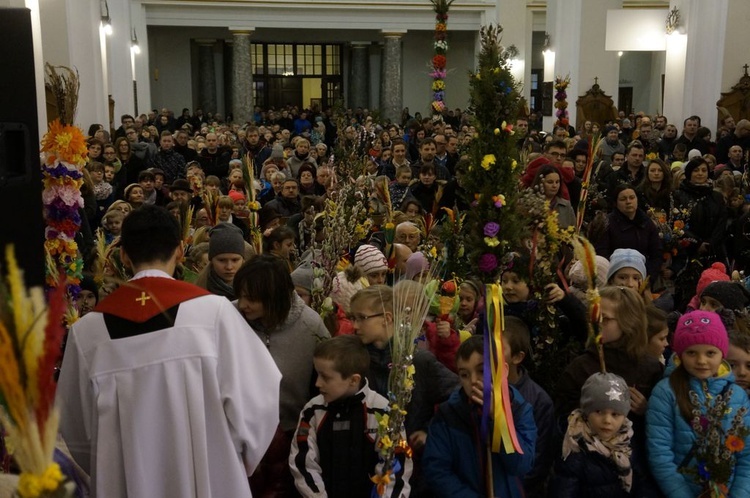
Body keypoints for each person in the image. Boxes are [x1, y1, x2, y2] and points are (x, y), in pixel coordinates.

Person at [56, 205, 281, 498]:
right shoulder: (214, 313)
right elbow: (258, 401)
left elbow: (76, 428)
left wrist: (115, 466)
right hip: (210, 479)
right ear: (179, 250)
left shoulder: (87, 333)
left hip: (125, 482)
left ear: (123, 255)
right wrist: (229, 460)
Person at [234, 254, 330, 497]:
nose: (243, 304)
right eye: (241, 295)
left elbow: (325, 382)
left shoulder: (310, 325)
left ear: (275, 298)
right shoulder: (230, 318)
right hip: (238, 439)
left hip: (290, 437)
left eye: (252, 298)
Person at [289, 336, 413, 497]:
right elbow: (303, 464)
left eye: (325, 377)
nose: (317, 383)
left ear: (353, 380)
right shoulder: (312, 410)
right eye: (316, 374)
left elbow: (396, 468)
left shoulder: (383, 412)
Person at [646, 310, 750, 497]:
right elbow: (660, 453)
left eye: (710, 353)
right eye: (692, 352)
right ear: (680, 353)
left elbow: (747, 455)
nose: (701, 361)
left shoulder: (738, 396)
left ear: (722, 354)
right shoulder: (666, 392)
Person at [422, 336, 537, 497]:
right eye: (464, 375)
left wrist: (499, 419)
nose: (473, 381)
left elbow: (521, 465)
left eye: (482, 371)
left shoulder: (519, 409)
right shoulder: (449, 414)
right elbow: (436, 470)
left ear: (501, 371)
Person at [552, 373, 644, 498]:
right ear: (586, 411)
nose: (607, 420)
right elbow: (564, 490)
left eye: (615, 414)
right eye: (598, 411)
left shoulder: (629, 441)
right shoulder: (574, 448)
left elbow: (642, 482)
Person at [503, 316, 555, 498]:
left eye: (498, 349)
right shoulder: (477, 389)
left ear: (517, 357)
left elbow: (538, 460)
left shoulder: (538, 400)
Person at [195, 222, 246, 300]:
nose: (229, 267)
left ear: (243, 260)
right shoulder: (198, 293)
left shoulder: (255, 291)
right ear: (211, 260)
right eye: (222, 260)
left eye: (235, 260)